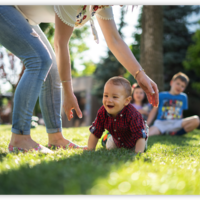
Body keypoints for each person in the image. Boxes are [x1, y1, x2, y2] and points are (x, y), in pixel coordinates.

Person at [0, 5, 158, 153]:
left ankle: (56, 138)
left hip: (23, 15)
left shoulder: (102, 6)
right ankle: (19, 139)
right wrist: (68, 93)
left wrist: (140, 74)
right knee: (40, 59)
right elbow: (61, 44)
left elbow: (114, 40)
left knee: (52, 67)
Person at [87, 77, 149, 153]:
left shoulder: (133, 114)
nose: (109, 100)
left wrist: (138, 153)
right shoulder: (102, 112)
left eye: (115, 97)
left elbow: (140, 136)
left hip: (136, 139)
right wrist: (89, 150)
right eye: (106, 96)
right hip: (117, 139)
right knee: (110, 147)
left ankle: (108, 138)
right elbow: (95, 132)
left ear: (126, 101)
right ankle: (107, 138)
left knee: (140, 147)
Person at [147, 72, 200, 136]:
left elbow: (181, 113)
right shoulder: (161, 95)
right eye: (178, 84)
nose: (180, 87)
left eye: (182, 86)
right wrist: (147, 124)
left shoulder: (183, 97)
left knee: (196, 120)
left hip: (176, 123)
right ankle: (165, 132)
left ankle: (176, 134)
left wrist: (182, 123)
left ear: (184, 89)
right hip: (161, 124)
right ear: (171, 82)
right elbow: (154, 111)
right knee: (147, 133)